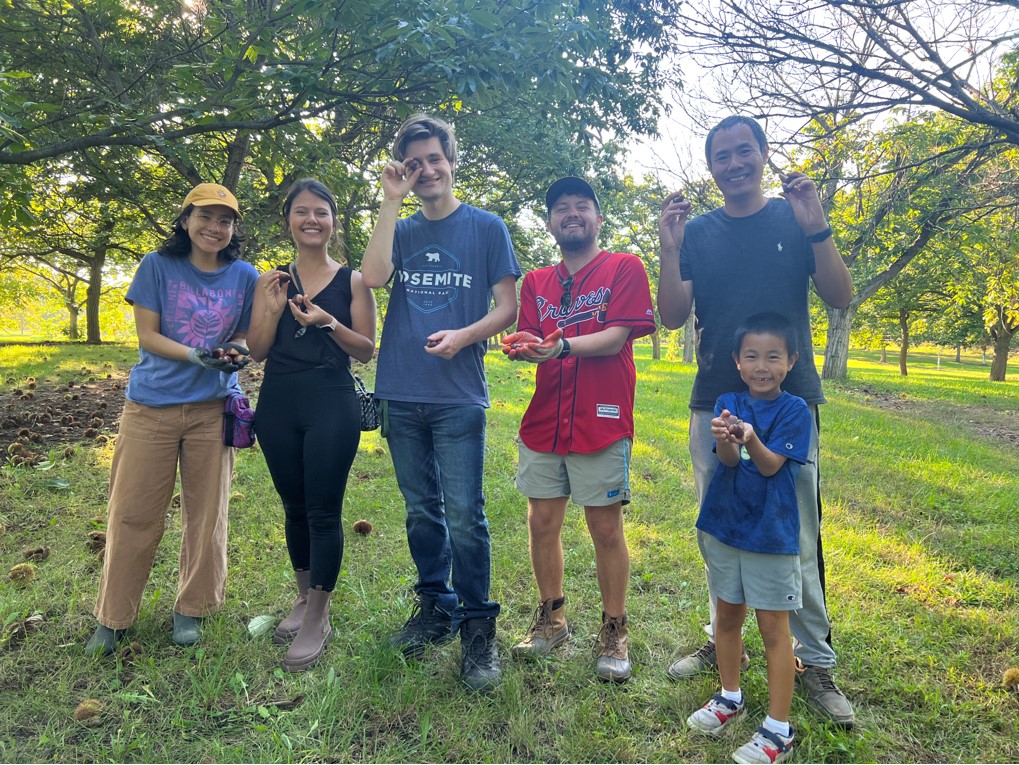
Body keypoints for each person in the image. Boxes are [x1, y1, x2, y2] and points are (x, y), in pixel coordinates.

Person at [657, 115, 856, 726]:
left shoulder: (792, 218)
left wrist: (817, 225)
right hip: (715, 398)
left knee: (796, 532)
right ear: (711, 166)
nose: (734, 163)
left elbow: (840, 295)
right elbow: (670, 316)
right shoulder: (700, 231)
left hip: (788, 400)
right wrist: (668, 245)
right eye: (722, 155)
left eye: (745, 151)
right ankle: (726, 641)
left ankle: (814, 659)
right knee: (721, 528)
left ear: (763, 155)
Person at [360, 113, 520, 693]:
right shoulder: (399, 230)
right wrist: (389, 202)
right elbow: (374, 277)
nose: (426, 170)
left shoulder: (486, 228)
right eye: (414, 162)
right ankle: (436, 607)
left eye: (434, 159)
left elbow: (508, 307)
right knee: (421, 510)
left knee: (465, 515)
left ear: (452, 163)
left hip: (457, 395)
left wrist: (463, 337)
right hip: (400, 390)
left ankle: (478, 627)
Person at [86, 183, 258, 655]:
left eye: (225, 220)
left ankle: (194, 608)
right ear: (185, 220)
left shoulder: (245, 275)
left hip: (212, 410)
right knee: (133, 513)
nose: (215, 227)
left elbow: (244, 332)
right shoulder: (156, 267)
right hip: (151, 407)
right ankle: (114, 616)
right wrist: (198, 355)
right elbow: (148, 335)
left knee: (208, 515)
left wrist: (235, 352)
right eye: (205, 216)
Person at [503, 177, 656, 682]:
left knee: (605, 528)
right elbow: (534, 337)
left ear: (598, 218)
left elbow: (615, 339)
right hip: (545, 420)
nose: (572, 214)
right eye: (561, 208)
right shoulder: (536, 283)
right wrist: (524, 343)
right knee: (541, 522)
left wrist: (561, 345)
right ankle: (552, 619)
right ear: (549, 223)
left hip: (601, 419)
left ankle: (615, 628)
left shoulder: (624, 267)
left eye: (582, 207)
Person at [247, 178, 377, 672]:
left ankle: (319, 613)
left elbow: (366, 350)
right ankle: (303, 596)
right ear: (289, 221)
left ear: (332, 221)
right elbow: (257, 350)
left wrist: (325, 321)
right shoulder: (272, 281)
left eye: (321, 212)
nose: (311, 220)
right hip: (278, 399)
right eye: (302, 212)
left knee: (323, 508)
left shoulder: (355, 280)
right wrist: (273, 311)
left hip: (331, 399)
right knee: (292, 505)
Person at [686, 312, 809, 763]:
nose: (762, 366)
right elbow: (730, 462)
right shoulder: (727, 400)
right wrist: (726, 439)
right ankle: (729, 696)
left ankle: (779, 729)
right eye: (752, 356)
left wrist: (751, 438)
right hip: (725, 528)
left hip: (771, 536)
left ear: (791, 360)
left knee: (774, 630)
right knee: (728, 620)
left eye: (773, 356)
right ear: (737, 361)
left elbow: (772, 465)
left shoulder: (795, 411)